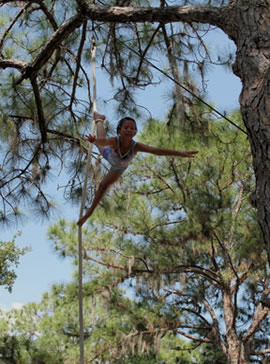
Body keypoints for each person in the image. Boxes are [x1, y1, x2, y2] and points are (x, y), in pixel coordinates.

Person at [77, 112, 198, 226]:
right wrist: (95, 140)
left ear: (135, 132)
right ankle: (99, 120)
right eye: (126, 127)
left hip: (118, 168)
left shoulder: (136, 147)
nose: (129, 130)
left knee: (103, 186)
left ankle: (89, 212)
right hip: (110, 155)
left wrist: (181, 153)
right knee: (100, 144)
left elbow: (156, 151)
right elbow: (104, 140)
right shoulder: (114, 141)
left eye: (132, 128)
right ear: (119, 131)